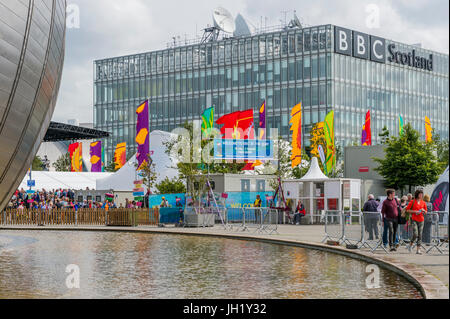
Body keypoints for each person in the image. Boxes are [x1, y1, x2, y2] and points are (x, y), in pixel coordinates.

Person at [406, 189, 428, 254]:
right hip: (414, 219)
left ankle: (418, 250)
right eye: (420, 194)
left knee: (420, 235)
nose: (421, 195)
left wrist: (424, 210)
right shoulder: (412, 201)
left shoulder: (423, 202)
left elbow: (426, 212)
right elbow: (407, 210)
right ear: (417, 194)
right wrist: (415, 211)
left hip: (421, 220)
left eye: (422, 194)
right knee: (415, 234)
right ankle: (410, 244)